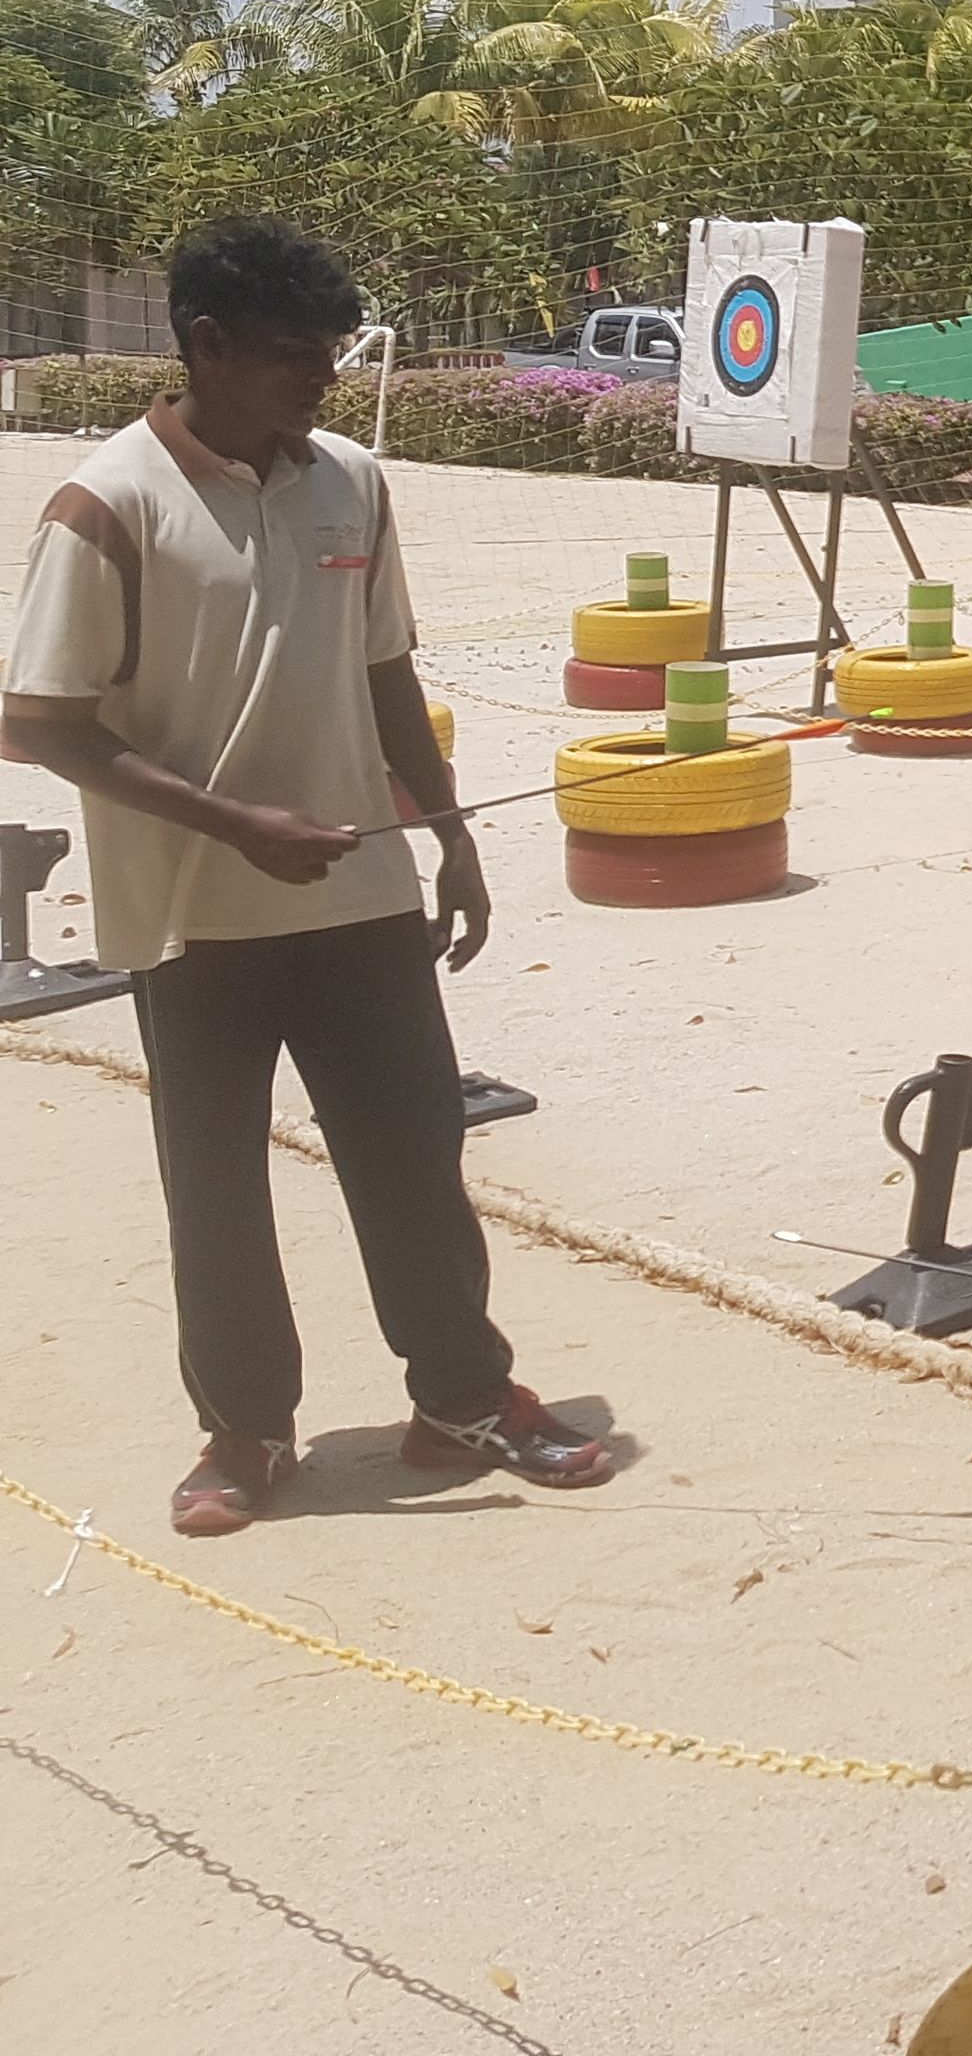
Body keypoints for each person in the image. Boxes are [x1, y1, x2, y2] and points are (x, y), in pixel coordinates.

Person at [2, 216, 615, 1536]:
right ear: (205, 346)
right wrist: (231, 824)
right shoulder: (107, 505)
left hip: (361, 899)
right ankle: (244, 1432)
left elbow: (384, 668)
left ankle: (461, 1395)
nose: (322, 382)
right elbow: (39, 720)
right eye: (294, 356)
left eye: (331, 355)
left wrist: (448, 833)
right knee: (214, 1187)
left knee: (415, 1161)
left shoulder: (353, 480)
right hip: (192, 917)